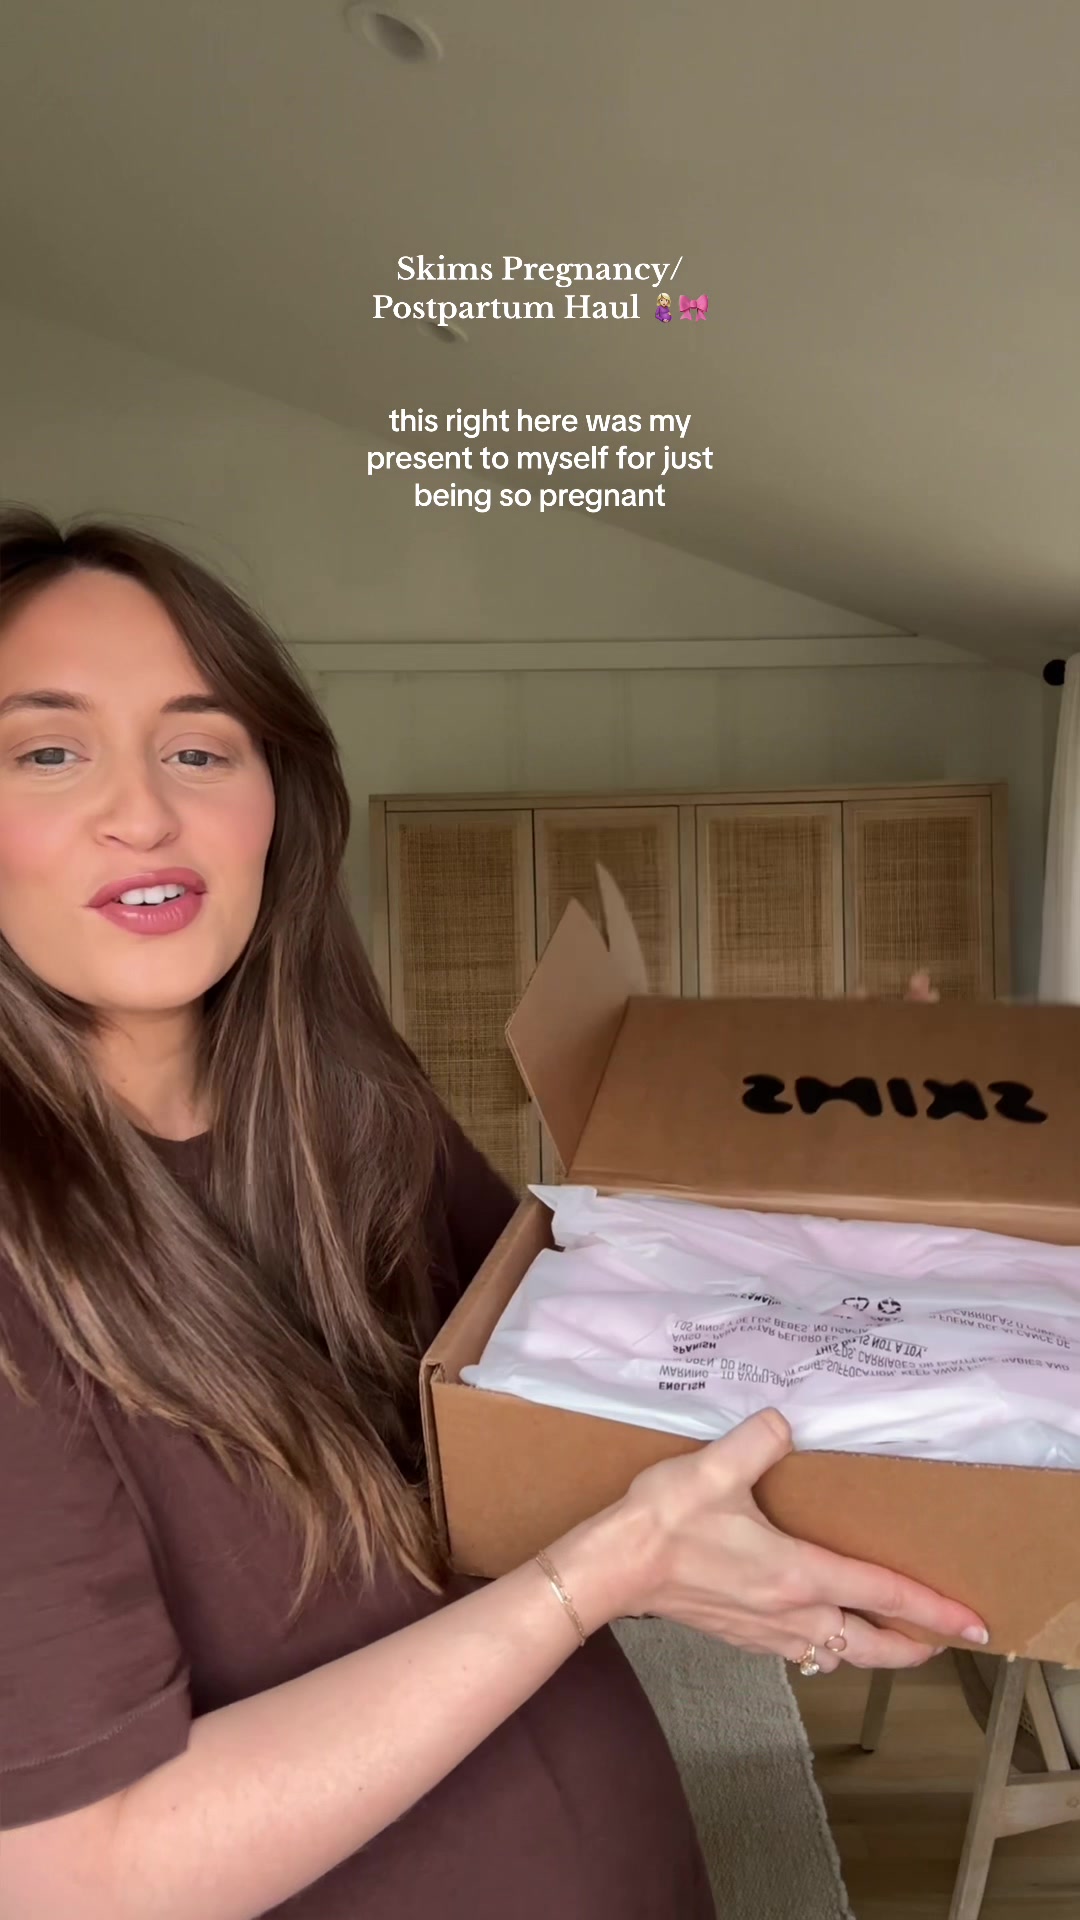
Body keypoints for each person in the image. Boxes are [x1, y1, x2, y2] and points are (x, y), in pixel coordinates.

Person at [0, 508, 988, 1920]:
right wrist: (594, 1579)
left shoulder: (356, 1121)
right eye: (47, 751)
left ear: (280, 798)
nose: (144, 812)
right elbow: (76, 1876)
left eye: (200, 749)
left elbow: (585, 1376)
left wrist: (833, 1163)